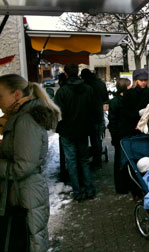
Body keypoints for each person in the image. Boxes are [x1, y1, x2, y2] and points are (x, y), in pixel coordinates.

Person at [0, 74, 60, 252]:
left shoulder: (26, 120)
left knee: (31, 241)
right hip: (24, 193)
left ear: (17, 94)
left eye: (0, 96)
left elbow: (24, 165)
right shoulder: (20, 117)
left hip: (27, 193)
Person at [55, 63, 96, 201]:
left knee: (71, 162)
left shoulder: (62, 92)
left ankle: (77, 192)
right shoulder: (88, 89)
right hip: (83, 130)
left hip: (67, 131)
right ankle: (89, 189)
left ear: (66, 74)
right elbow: (93, 110)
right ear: (78, 72)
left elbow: (58, 114)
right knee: (84, 160)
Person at [80, 68, 109, 168]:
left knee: (85, 140)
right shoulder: (100, 83)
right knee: (97, 139)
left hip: (86, 116)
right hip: (98, 114)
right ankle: (97, 161)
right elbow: (106, 98)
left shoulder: (84, 85)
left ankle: (86, 161)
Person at [108, 78, 131, 194]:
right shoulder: (121, 101)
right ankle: (123, 185)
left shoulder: (115, 101)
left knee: (120, 162)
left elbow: (112, 121)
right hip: (123, 135)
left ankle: (122, 186)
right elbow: (113, 121)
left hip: (120, 135)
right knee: (122, 161)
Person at [120, 68, 149, 138]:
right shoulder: (129, 93)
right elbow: (125, 111)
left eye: (145, 80)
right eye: (141, 80)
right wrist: (137, 114)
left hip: (145, 126)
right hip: (131, 127)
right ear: (136, 81)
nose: (143, 82)